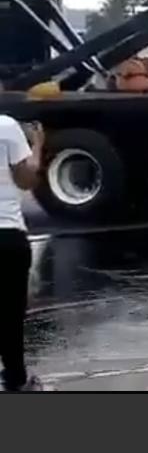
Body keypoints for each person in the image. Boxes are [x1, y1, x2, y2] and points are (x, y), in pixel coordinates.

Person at [0, 114, 46, 392]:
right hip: (7, 234)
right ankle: (17, 380)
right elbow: (26, 179)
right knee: (10, 314)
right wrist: (37, 144)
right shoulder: (5, 126)